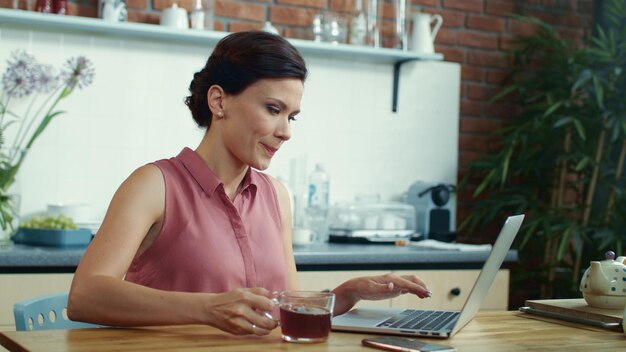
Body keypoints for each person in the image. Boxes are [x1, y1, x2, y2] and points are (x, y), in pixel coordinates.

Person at [67, 31, 431, 336]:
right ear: (219, 100)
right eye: (273, 109)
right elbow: (84, 296)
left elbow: (284, 308)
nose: (286, 132)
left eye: (292, 117)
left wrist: (346, 294)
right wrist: (207, 308)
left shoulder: (277, 196)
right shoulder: (153, 185)